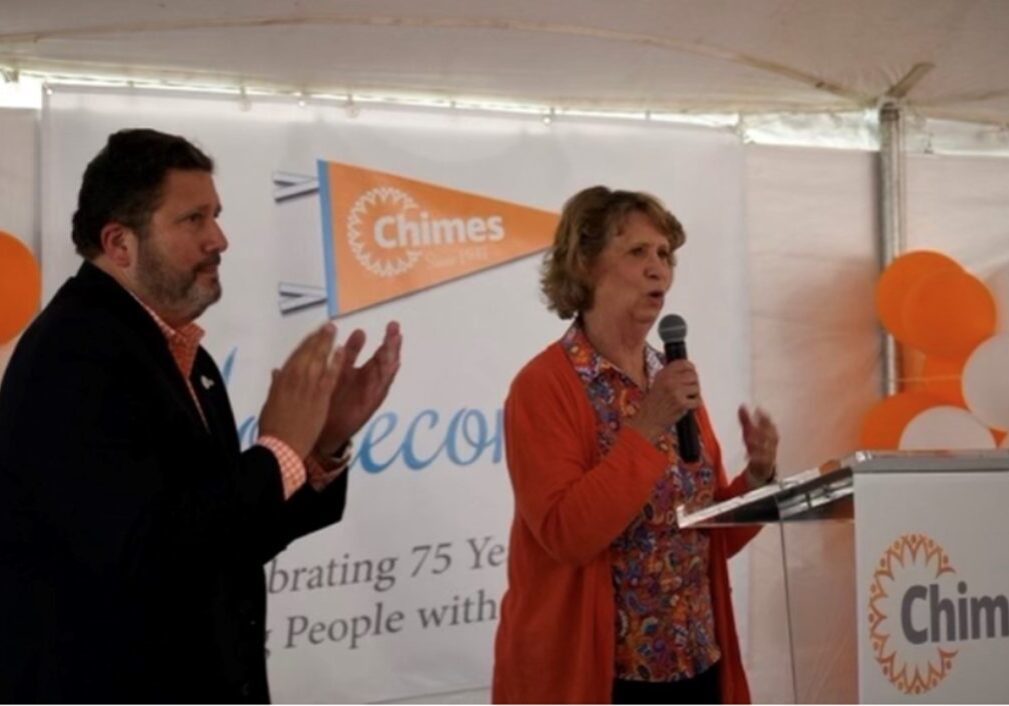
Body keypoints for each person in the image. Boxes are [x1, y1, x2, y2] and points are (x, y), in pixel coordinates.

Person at [0, 129, 402, 703]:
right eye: (193, 220)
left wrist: (322, 442)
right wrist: (278, 452)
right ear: (119, 244)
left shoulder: (181, 352)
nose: (220, 239)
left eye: (215, 215)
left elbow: (229, 536)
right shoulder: (74, 357)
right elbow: (149, 552)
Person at [492, 186, 778, 704]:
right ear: (585, 264)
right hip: (600, 679)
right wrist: (645, 427)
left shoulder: (669, 376)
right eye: (638, 252)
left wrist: (757, 481)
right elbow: (566, 535)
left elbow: (704, 534)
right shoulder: (544, 386)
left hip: (698, 662)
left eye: (665, 254)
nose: (659, 269)